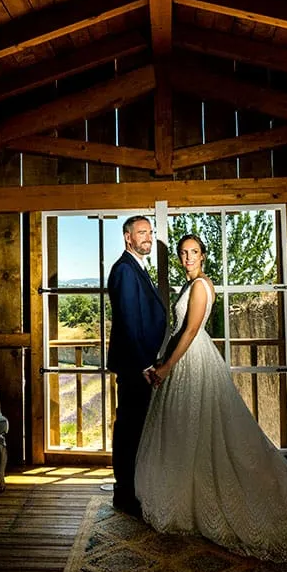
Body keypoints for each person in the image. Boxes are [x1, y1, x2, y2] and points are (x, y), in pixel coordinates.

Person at [135, 233, 287, 563]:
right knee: (187, 435)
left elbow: (191, 331)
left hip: (193, 361)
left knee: (204, 433)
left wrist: (166, 368)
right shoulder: (189, 285)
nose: (188, 257)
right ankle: (187, 501)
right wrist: (161, 361)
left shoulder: (200, 286)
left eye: (194, 252)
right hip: (185, 358)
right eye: (183, 253)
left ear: (204, 256)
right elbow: (179, 331)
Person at [105, 215, 167, 516]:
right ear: (128, 237)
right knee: (129, 429)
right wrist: (145, 365)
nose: (148, 237)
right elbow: (130, 322)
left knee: (137, 428)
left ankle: (133, 489)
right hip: (134, 367)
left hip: (141, 362)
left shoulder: (137, 268)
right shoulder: (125, 270)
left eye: (150, 232)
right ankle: (125, 494)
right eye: (141, 232)